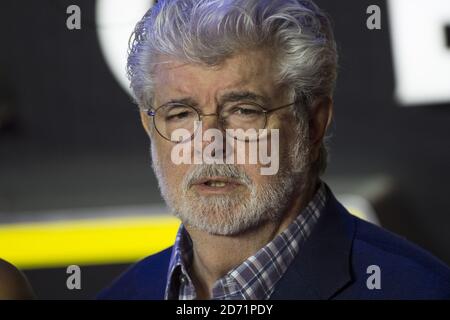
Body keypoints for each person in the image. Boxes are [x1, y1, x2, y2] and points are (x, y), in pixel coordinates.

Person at [98, 0, 450, 299]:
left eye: (243, 110)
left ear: (312, 124)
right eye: (181, 114)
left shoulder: (418, 290)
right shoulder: (122, 294)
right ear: (150, 127)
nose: (208, 143)